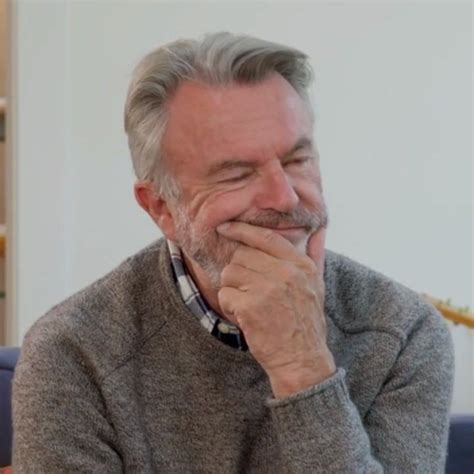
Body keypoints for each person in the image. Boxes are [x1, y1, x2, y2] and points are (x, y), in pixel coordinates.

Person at [13, 32, 454, 472]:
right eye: (238, 173)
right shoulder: (73, 353)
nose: (285, 198)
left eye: (297, 160)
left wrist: (303, 370)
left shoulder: (404, 333)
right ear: (161, 207)